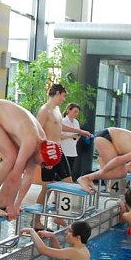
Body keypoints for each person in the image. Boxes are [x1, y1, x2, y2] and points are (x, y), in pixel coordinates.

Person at [0, 98, 63, 220]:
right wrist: (12, 205)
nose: (42, 166)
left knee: (14, 160)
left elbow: (28, 176)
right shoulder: (31, 141)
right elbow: (16, 177)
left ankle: (1, 202)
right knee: (10, 158)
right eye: (43, 163)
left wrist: (16, 204)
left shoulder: (39, 145)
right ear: (41, 153)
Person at [35, 84, 92, 229]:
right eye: (64, 95)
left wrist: (80, 131)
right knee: (46, 188)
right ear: (58, 93)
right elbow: (38, 133)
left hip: (58, 150)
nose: (64, 99)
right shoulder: (44, 110)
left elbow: (61, 127)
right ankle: (36, 220)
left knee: (68, 183)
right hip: (49, 152)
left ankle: (58, 217)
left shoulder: (57, 110)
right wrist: (43, 157)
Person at [60, 102, 83, 178]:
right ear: (68, 110)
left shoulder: (76, 122)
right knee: (63, 174)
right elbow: (60, 135)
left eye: (77, 112)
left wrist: (75, 139)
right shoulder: (62, 121)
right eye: (75, 111)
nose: (76, 114)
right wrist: (71, 135)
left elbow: (78, 134)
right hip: (63, 150)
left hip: (72, 151)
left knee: (70, 172)